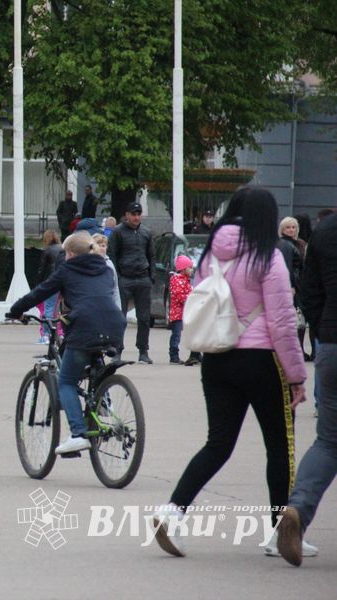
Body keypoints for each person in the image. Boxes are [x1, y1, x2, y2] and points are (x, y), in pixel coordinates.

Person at [151, 187, 310, 559]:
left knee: (218, 443)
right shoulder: (268, 256)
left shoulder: (210, 254)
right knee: (279, 445)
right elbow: (283, 321)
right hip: (261, 359)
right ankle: (279, 531)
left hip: (217, 355)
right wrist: (296, 374)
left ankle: (173, 509)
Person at [8, 232, 125, 454]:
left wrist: (16, 311)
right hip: (114, 326)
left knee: (67, 381)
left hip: (85, 327)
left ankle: (78, 433)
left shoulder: (67, 270)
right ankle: (100, 403)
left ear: (70, 253)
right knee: (93, 368)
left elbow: (39, 293)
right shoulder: (106, 269)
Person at [278, 210, 337, 566]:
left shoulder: (326, 230)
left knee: (329, 441)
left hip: (331, 343)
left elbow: (310, 292)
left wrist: (322, 331)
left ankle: (298, 508)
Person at [108, 202, 155, 364]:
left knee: (144, 318)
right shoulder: (117, 232)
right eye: (133, 214)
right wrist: (117, 278)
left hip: (143, 278)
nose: (136, 217)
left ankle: (143, 351)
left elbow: (151, 256)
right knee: (119, 317)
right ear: (126, 215)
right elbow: (112, 255)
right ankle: (117, 349)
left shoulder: (146, 233)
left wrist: (151, 277)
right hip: (124, 278)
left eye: (138, 214)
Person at [280, 216, 311, 361]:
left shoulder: (299, 243)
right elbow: (288, 267)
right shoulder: (285, 245)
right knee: (296, 318)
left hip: (300, 284)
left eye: (293, 227)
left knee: (300, 320)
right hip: (294, 285)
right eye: (288, 227)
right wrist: (291, 285)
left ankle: (299, 348)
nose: (291, 230)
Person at [35, 229, 64, 344]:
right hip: (63, 282)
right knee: (59, 310)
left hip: (50, 282)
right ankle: (60, 334)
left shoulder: (47, 250)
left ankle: (46, 335)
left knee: (48, 308)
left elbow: (41, 270)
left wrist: (38, 285)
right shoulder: (63, 249)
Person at [167, 256, 193, 364]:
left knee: (188, 333)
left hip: (185, 312)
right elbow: (180, 296)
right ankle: (173, 355)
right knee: (176, 334)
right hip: (177, 313)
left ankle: (194, 353)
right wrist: (191, 299)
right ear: (183, 269)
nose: (192, 269)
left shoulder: (186, 280)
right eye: (190, 267)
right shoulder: (177, 280)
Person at [91, 233, 120, 311]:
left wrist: (118, 307)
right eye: (98, 245)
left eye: (103, 246)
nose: (101, 248)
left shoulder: (110, 263)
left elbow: (115, 286)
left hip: (108, 303)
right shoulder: (89, 263)